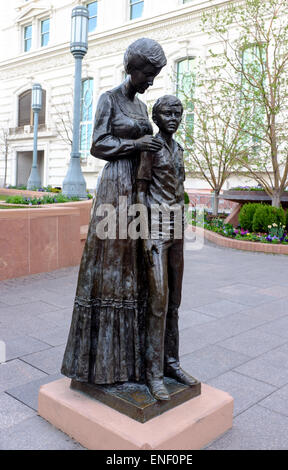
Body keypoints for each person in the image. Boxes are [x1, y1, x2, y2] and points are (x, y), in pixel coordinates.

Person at [61, 38, 167, 385]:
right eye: (148, 74)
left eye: (155, 76)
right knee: (112, 266)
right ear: (131, 68)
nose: (150, 80)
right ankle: (102, 366)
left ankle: (131, 363)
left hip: (139, 189)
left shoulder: (141, 107)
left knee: (132, 269)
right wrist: (135, 145)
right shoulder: (109, 99)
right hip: (115, 188)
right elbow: (97, 144)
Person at [137, 95, 199, 401]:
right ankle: (153, 374)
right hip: (156, 231)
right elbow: (140, 191)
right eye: (166, 113)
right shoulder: (152, 147)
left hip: (177, 231)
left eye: (177, 113)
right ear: (157, 118)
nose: (173, 118)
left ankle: (172, 364)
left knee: (174, 302)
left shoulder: (179, 150)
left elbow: (180, 189)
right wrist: (145, 235)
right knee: (158, 303)